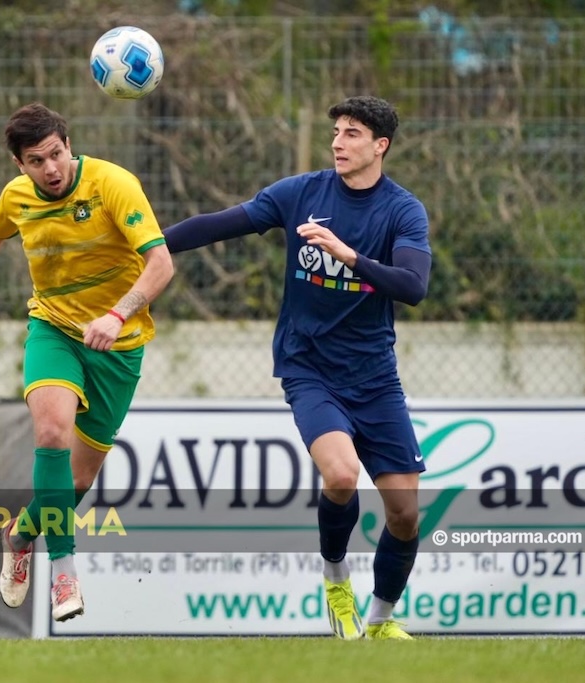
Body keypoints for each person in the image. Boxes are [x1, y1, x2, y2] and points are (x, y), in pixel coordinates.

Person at [163, 95, 430, 640]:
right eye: (336, 130)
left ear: (380, 146)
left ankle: (379, 622)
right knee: (340, 474)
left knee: (404, 514)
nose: (338, 141)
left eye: (352, 133)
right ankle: (335, 577)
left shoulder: (403, 210)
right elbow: (220, 224)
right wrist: (148, 246)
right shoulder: (300, 193)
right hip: (308, 367)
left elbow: (414, 287)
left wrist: (348, 254)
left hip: (375, 376)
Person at [0, 103, 174, 622]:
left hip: (118, 344)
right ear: (20, 165)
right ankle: (64, 576)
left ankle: (20, 534)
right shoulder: (17, 197)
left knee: (78, 483)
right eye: (37, 160)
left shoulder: (113, 184)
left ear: (69, 143)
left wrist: (117, 314)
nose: (51, 169)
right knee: (51, 435)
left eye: (57, 154)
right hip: (55, 329)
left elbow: (161, 263)